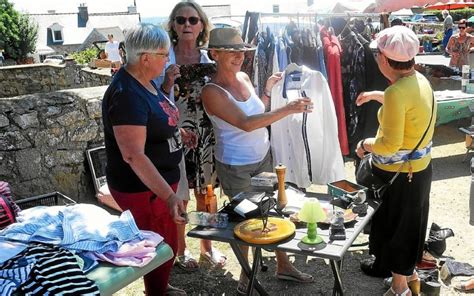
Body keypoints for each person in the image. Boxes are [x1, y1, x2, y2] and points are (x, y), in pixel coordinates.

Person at [201, 27, 315, 294]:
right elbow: (246, 123)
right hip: (236, 166)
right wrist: (287, 109)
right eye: (230, 51)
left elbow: (257, 112)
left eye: (240, 50)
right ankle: (246, 277)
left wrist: (266, 91)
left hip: (263, 157)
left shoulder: (243, 77)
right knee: (247, 221)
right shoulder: (212, 91)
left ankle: (283, 264)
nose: (238, 56)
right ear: (214, 54)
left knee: (273, 210)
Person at [102, 23, 191, 295]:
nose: (168, 60)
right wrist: (169, 197)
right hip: (145, 189)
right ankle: (157, 291)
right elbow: (133, 155)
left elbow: (153, 122)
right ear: (145, 58)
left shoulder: (144, 82)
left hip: (158, 184)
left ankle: (159, 287)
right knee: (160, 245)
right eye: (165, 55)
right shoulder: (126, 94)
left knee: (164, 244)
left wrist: (177, 133)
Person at [355, 26, 436, 296]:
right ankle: (403, 275)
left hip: (400, 174)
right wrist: (376, 96)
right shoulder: (420, 81)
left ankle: (400, 287)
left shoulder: (396, 92)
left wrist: (365, 144)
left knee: (398, 229)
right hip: (418, 170)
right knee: (409, 225)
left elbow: (388, 146)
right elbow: (408, 104)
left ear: (383, 59)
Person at [154, 1, 225, 271]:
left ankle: (207, 245)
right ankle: (182, 250)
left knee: (206, 193)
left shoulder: (210, 59)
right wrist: (168, 82)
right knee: (180, 194)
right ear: (173, 24)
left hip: (207, 133)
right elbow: (154, 99)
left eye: (193, 20)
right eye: (181, 20)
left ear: (202, 25)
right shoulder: (163, 57)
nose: (187, 25)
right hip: (175, 134)